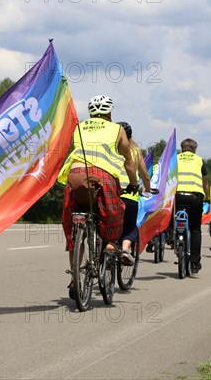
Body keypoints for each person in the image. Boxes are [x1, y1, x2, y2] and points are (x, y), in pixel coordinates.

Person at [58, 95, 138, 295]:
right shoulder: (117, 129)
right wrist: (134, 184)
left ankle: (74, 279)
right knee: (115, 210)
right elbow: (129, 161)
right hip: (103, 177)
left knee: (73, 224)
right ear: (109, 113)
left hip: (75, 175)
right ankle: (110, 245)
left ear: (91, 113)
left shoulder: (79, 127)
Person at [116, 122, 151, 261]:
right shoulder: (135, 150)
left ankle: (106, 246)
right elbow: (144, 174)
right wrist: (147, 189)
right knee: (130, 226)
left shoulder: (109, 149)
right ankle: (125, 249)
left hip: (111, 192)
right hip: (130, 195)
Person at [175, 138, 209, 274]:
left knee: (172, 216)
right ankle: (195, 262)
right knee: (195, 229)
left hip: (177, 196)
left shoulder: (175, 159)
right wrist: (207, 196)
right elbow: (205, 182)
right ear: (194, 149)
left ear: (182, 148)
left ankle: (172, 237)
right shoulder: (199, 160)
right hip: (195, 197)